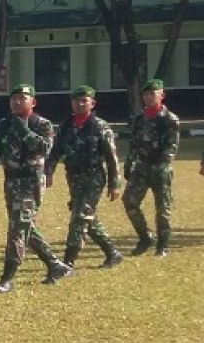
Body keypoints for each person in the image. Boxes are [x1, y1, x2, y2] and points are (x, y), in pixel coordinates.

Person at [0, 83, 72, 293]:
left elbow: (44, 148)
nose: (17, 102)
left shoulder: (42, 124)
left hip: (31, 183)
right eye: (14, 99)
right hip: (11, 182)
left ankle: (7, 278)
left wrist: (23, 129)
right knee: (24, 225)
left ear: (33, 102)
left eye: (22, 98)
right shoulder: (3, 125)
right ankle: (55, 265)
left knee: (18, 228)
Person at [44, 85, 124, 269]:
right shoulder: (65, 125)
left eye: (84, 101)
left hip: (94, 177)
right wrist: (49, 173)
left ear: (92, 103)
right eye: (76, 100)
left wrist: (114, 183)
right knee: (87, 216)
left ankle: (68, 261)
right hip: (74, 177)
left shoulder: (99, 126)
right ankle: (112, 252)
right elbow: (55, 151)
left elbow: (112, 158)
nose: (79, 104)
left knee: (79, 216)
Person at [123, 78, 180, 257]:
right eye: (146, 94)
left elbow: (172, 146)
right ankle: (145, 237)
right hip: (141, 167)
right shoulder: (139, 119)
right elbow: (134, 143)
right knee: (129, 201)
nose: (148, 97)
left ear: (161, 95)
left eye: (152, 94)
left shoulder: (169, 119)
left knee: (162, 209)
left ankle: (162, 245)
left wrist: (163, 162)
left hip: (160, 168)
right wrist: (128, 162)